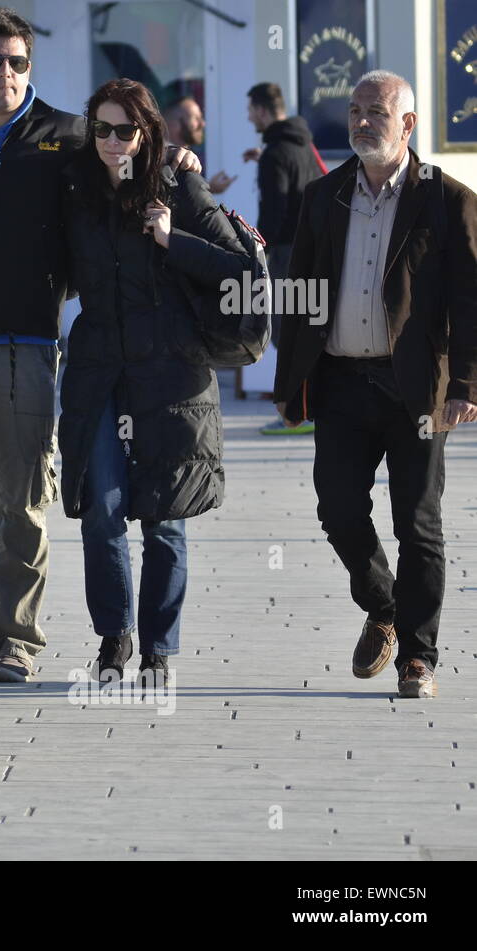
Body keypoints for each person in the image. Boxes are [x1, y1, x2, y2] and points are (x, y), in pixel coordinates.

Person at [0, 6, 202, 683]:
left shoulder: (67, 136)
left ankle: (16, 641)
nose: (4, 72)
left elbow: (125, 166)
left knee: (22, 504)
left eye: (17, 62)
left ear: (29, 66)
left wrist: (175, 157)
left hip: (28, 346)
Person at [273, 70, 477, 699]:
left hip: (415, 389)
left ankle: (418, 657)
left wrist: (466, 382)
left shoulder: (447, 200)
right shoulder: (324, 195)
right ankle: (384, 606)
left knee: (417, 524)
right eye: (355, 111)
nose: (362, 122)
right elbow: (300, 290)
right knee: (336, 509)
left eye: (377, 113)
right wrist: (289, 381)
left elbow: (470, 302)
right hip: (340, 383)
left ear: (407, 125)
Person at [60, 78, 251, 685]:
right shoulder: (75, 192)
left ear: (147, 134)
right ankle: (115, 636)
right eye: (102, 130)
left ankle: (159, 649)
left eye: (125, 130)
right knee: (102, 510)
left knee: (165, 519)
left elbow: (241, 272)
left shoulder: (180, 186)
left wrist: (175, 239)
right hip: (99, 376)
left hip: (172, 380)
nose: (113, 142)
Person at [245, 82, 324, 436]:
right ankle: (310, 408)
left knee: (284, 331)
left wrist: (257, 245)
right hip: (312, 249)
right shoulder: (303, 144)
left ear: (262, 110)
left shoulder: (277, 152)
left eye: (251, 110)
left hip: (285, 254)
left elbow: (275, 210)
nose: (249, 117)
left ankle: (296, 412)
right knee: (306, 325)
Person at [164, 93, 235, 194]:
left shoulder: (185, 157)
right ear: (175, 123)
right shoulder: (160, 159)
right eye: (196, 118)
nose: (203, 123)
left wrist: (209, 188)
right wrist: (208, 189)